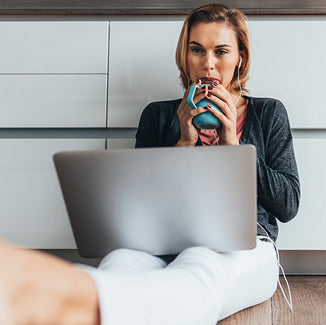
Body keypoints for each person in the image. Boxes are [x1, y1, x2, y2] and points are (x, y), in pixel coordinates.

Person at [0, 3, 299, 325]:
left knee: (200, 265)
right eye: (196, 50)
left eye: (221, 51)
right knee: (120, 261)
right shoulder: (158, 115)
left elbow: (287, 205)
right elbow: (141, 206)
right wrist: (184, 141)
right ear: (184, 56)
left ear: (240, 57)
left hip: (246, 245)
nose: (208, 65)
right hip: (163, 242)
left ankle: (60, 298)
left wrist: (234, 145)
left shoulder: (268, 113)